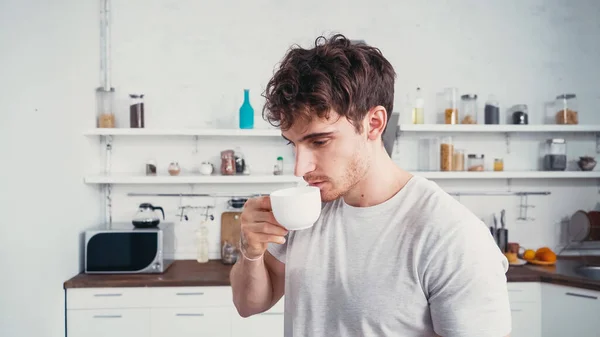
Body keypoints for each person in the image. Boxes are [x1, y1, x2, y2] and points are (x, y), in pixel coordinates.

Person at [229, 34, 511, 337]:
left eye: (320, 141)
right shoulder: (307, 211)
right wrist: (251, 251)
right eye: (294, 145)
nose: (300, 168)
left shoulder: (452, 236)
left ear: (373, 123)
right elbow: (248, 305)